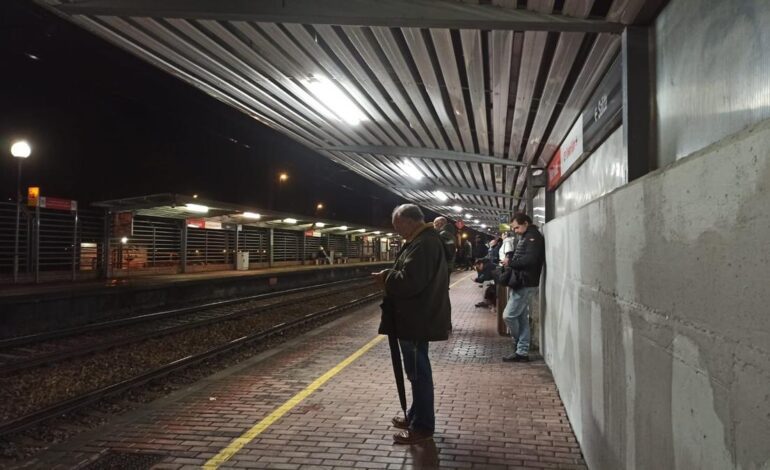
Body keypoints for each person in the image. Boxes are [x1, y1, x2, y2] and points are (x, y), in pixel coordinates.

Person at [372, 204, 451, 445]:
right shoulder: (424, 240)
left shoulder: (424, 243)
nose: (397, 232)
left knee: (419, 375)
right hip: (417, 317)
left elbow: (410, 282)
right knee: (417, 372)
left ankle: (423, 427)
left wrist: (386, 276)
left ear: (410, 221)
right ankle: (416, 416)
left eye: (398, 226)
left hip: (417, 318)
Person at [500, 213, 545, 362]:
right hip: (521, 281)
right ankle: (522, 352)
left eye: (517, 227)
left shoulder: (533, 237)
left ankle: (520, 342)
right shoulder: (527, 236)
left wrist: (510, 263)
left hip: (526, 282)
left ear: (526, 223)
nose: (516, 230)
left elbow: (530, 260)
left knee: (509, 315)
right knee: (521, 318)